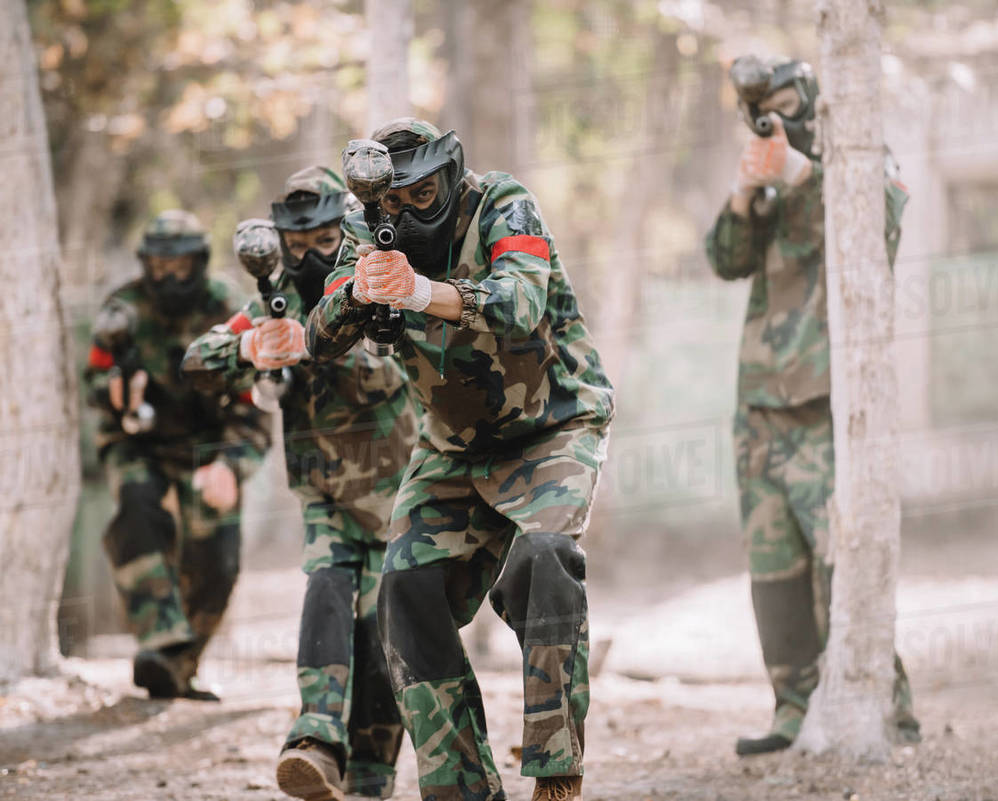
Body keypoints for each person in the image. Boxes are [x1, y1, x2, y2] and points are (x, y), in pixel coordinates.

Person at [306, 117, 613, 801]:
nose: (411, 210)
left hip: (553, 424)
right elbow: (318, 335)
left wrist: (419, 293)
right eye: (395, 201)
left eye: (423, 194)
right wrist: (359, 292)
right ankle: (461, 789)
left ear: (450, 176)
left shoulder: (503, 202)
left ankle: (556, 766)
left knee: (542, 559)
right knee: (406, 588)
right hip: (453, 444)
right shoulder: (364, 233)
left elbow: (522, 301)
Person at [182, 167, 420, 799]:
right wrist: (254, 349)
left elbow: (394, 370)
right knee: (326, 592)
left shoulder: (378, 276)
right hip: (325, 495)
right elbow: (197, 360)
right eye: (297, 242)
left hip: (400, 496)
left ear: (344, 227)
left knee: (383, 635)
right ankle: (314, 739)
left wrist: (313, 344)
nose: (309, 254)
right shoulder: (274, 297)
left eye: (322, 238)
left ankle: (371, 773)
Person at [705, 54, 919, 756]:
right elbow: (725, 257)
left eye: (792, 101)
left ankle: (889, 706)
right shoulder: (765, 172)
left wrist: (802, 173)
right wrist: (746, 190)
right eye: (767, 106)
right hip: (759, 405)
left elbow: (882, 223)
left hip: (828, 404)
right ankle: (793, 707)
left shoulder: (856, 160)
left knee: (841, 566)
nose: (781, 115)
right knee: (774, 572)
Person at [84, 209, 269, 700]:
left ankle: (177, 666)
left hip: (210, 444)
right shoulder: (121, 309)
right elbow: (95, 377)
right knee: (139, 515)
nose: (167, 277)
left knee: (219, 557)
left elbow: (256, 404)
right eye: (158, 266)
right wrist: (114, 393)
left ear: (200, 263)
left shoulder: (229, 309)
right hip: (136, 441)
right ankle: (160, 640)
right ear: (145, 264)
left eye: (179, 266)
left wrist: (231, 465)